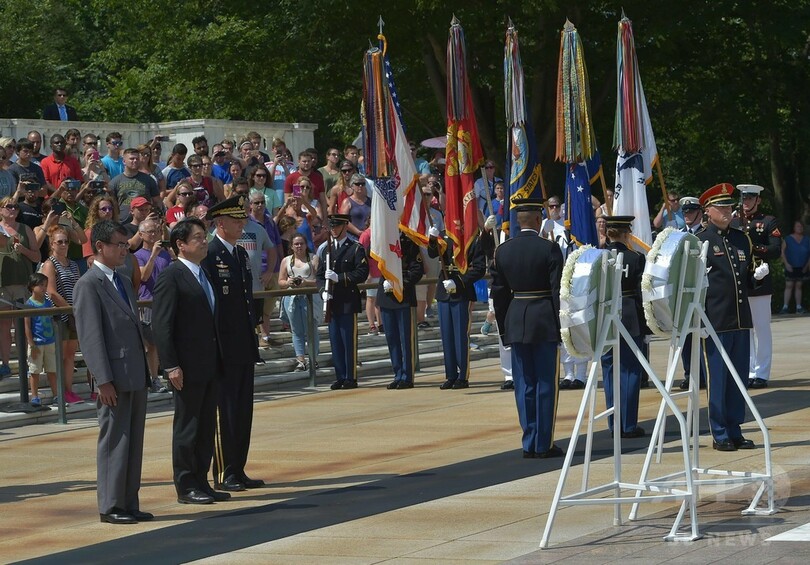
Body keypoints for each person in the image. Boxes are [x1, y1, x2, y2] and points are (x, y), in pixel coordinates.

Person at [73, 220, 152, 524]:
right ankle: (110, 505)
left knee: (133, 441)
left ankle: (129, 501)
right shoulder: (89, 284)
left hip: (134, 372)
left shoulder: (122, 279)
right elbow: (91, 337)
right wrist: (102, 380)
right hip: (113, 377)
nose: (124, 250)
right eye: (118, 245)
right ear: (99, 247)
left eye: (125, 245)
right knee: (114, 442)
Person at [153, 218, 230, 505]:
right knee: (188, 426)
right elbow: (162, 325)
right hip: (186, 366)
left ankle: (201, 480)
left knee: (207, 426)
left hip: (209, 363)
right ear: (180, 244)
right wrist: (170, 365)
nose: (204, 241)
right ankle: (186, 485)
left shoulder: (203, 273)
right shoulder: (172, 276)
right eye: (197, 237)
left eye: (204, 235)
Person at [490, 198, 564, 458]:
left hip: (516, 319)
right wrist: (562, 326)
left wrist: (504, 329)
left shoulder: (503, 251)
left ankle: (529, 442)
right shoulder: (550, 248)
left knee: (523, 385)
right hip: (543, 320)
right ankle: (544, 444)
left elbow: (499, 295)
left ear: (518, 222)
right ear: (538, 220)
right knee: (545, 383)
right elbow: (556, 291)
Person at [202, 195, 263, 491]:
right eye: (236, 220)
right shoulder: (210, 255)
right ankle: (225, 471)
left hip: (243, 344)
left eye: (243, 220)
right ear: (220, 223)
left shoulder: (239, 254)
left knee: (242, 411)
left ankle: (238, 467)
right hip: (224, 348)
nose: (241, 225)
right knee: (224, 412)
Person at [696, 183, 763, 452]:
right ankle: (720, 432)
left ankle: (735, 429)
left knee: (739, 378)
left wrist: (758, 277)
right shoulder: (700, 241)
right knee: (719, 379)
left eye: (728, 207)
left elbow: (746, 278)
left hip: (740, 319)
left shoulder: (741, 239)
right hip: (715, 320)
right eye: (721, 207)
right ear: (708, 210)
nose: (727, 211)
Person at [599, 216, 648, 439]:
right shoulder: (635, 258)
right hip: (629, 316)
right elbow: (640, 292)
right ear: (627, 233)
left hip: (605, 316)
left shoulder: (598, 257)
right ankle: (628, 424)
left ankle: (614, 423)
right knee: (629, 370)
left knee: (610, 369)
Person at [427, 221, 486, 390]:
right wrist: (432, 239)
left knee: (460, 336)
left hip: (461, 291)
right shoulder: (444, 235)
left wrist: (459, 282)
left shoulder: (472, 238)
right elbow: (433, 254)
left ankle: (462, 376)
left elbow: (479, 268)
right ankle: (451, 374)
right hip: (444, 290)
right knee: (447, 336)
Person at [733, 184, 781, 389]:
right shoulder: (734, 220)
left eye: (750, 198)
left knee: (761, 329)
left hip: (759, 280)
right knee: (745, 329)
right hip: (739, 280)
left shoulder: (767, 221)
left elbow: (775, 250)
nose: (746, 202)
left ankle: (761, 373)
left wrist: (754, 247)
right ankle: (749, 371)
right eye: (744, 198)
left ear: (758, 200)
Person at [316, 214, 369, 390]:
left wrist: (338, 278)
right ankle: (340, 376)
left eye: (337, 226)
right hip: (332, 301)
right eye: (331, 226)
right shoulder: (326, 249)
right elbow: (319, 276)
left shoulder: (355, 248)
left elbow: (361, 273)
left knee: (348, 341)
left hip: (347, 301)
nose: (333, 229)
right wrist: (323, 291)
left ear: (345, 226)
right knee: (335, 341)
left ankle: (350, 377)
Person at [38, 225, 83, 404]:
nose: (63, 245)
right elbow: (51, 292)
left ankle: (69, 391)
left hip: (73, 313)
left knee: (70, 355)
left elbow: (78, 286)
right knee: (60, 354)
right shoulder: (49, 264)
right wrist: (70, 309)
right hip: (60, 315)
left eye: (66, 241)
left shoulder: (73, 264)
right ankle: (60, 392)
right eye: (59, 242)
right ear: (52, 244)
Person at [0, 196, 40, 378]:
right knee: (4, 325)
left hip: (22, 282)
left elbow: (37, 257)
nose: (13, 209)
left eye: (15, 207)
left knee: (22, 325)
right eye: (8, 206)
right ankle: (5, 363)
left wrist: (23, 250)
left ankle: (24, 362)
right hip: (2, 283)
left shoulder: (25, 229)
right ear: (1, 210)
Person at [379, 233, 424, 389]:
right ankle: (397, 374)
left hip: (403, 296)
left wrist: (399, 284)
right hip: (386, 295)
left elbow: (417, 270)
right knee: (392, 339)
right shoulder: (382, 239)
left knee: (406, 339)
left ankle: (407, 376)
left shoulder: (409, 242)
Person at [134, 218, 174, 393]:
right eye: (150, 231)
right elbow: (143, 276)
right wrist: (153, 255)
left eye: (157, 231)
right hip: (147, 303)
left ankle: (169, 376)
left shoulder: (166, 254)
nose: (154, 234)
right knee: (151, 344)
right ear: (141, 234)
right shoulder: (138, 256)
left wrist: (171, 254)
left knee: (166, 341)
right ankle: (154, 379)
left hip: (166, 302)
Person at [279, 233, 322, 371]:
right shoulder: (286, 260)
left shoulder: (313, 258)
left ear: (306, 245)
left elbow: (320, 280)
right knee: (296, 330)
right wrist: (288, 282)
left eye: (301, 243)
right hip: (292, 298)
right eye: (296, 244)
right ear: (291, 246)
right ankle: (300, 359)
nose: (299, 246)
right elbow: (280, 281)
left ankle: (313, 359)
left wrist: (306, 282)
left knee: (311, 329)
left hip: (309, 298)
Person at [24, 273, 57, 407]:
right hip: (36, 342)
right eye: (41, 285)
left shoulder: (48, 303)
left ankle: (56, 394)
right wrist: (31, 344)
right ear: (32, 286)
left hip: (50, 341)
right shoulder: (29, 304)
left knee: (52, 370)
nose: (44, 288)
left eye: (45, 285)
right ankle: (34, 396)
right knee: (35, 371)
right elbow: (27, 326)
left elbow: (53, 321)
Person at [781, 220, 810, 313]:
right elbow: (782, 252)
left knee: (799, 285)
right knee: (789, 285)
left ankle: (798, 306)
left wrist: (807, 265)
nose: (799, 228)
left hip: (802, 266)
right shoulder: (788, 239)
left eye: (801, 226)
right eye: (798, 226)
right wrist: (786, 264)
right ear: (794, 228)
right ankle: (785, 307)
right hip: (790, 265)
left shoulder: (807, 239)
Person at [340, 174, 371, 240]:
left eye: (362, 184)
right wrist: (359, 232)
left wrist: (367, 234)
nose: (360, 186)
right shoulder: (347, 202)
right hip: (352, 238)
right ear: (352, 186)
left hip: (369, 237)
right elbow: (343, 221)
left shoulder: (371, 201)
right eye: (357, 184)